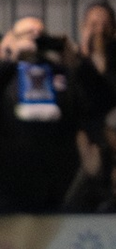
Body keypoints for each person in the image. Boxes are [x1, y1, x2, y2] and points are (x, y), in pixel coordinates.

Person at [0, 18, 78, 212]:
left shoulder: (56, 72)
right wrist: (11, 61)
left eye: (40, 36)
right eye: (27, 35)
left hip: (52, 176)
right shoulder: (6, 71)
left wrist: (74, 65)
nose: (34, 41)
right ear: (10, 39)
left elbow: (81, 108)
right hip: (9, 174)